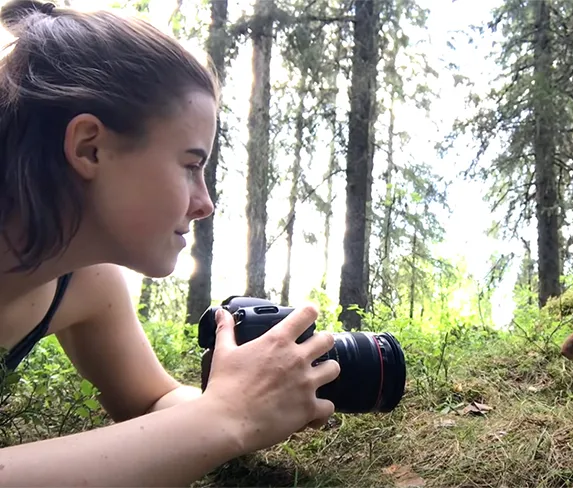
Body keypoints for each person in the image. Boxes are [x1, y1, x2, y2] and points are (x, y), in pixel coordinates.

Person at [0, 0, 341, 485]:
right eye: (190, 164)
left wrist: (254, 398)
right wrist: (224, 417)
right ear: (88, 148)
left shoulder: (84, 283)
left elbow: (149, 400)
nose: (205, 203)